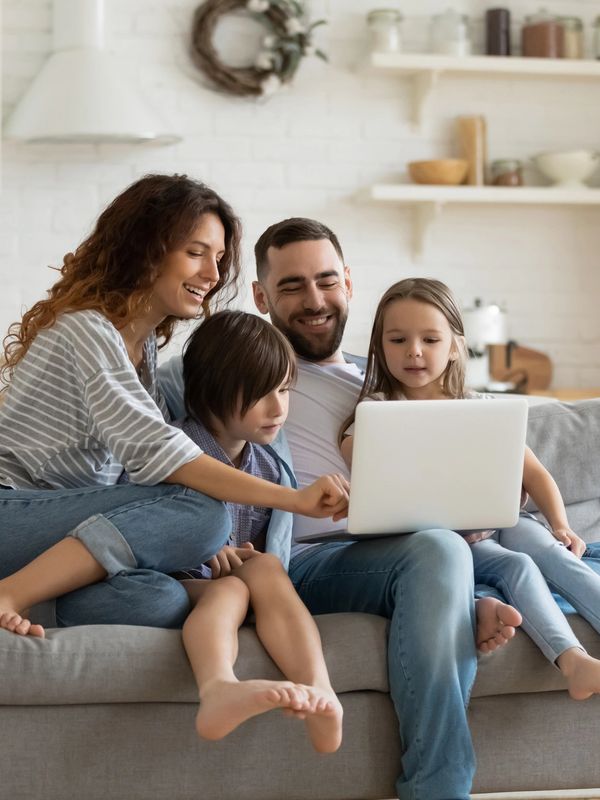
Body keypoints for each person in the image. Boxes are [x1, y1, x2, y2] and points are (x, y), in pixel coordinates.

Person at [157, 217, 523, 800]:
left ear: (348, 282)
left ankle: (463, 602)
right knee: (438, 550)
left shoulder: (387, 376)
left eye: (326, 281)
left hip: (391, 548)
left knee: (447, 546)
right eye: (293, 286)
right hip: (295, 560)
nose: (315, 300)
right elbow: (152, 430)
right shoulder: (240, 368)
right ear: (260, 296)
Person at [0, 177, 348, 639]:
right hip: (14, 511)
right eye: (196, 252)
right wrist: (295, 498)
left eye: (219, 258)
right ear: (145, 249)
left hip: (63, 530)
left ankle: (46, 593)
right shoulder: (86, 332)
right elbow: (161, 456)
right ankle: (11, 593)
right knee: (202, 514)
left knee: (158, 599)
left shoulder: (141, 349)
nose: (213, 274)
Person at [339, 276, 600, 701]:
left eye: (430, 338)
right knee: (517, 568)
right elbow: (371, 478)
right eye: (398, 339)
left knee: (547, 550)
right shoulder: (377, 414)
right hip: (451, 541)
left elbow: (536, 476)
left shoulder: (481, 409)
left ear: (456, 345)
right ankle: (574, 661)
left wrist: (561, 524)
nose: (414, 351)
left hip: (503, 521)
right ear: (380, 347)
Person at [166, 309, 343, 751]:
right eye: (261, 394)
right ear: (212, 392)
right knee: (233, 591)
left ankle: (321, 691)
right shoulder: (173, 449)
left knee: (264, 571)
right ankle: (219, 687)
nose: (279, 407)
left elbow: (265, 545)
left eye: (284, 389)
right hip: (179, 581)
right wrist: (203, 550)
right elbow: (144, 525)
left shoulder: (268, 465)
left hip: (241, 579)